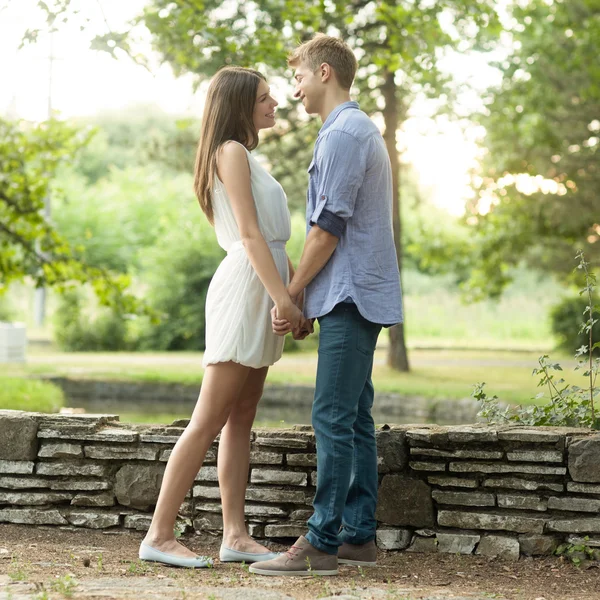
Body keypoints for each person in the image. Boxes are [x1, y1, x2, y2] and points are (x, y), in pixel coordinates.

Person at [139, 66, 311, 568]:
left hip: (266, 283)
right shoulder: (231, 152)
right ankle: (159, 533)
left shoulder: (248, 156)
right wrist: (282, 298)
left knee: (242, 415)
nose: (275, 102)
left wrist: (295, 294)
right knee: (209, 417)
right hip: (246, 288)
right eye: (264, 96)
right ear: (239, 105)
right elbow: (252, 237)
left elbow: (275, 241)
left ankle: (235, 535)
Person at [250, 35, 403, 577]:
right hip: (353, 292)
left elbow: (327, 229)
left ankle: (321, 540)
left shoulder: (344, 134)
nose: (292, 89)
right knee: (355, 417)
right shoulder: (352, 130)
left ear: (322, 72)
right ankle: (359, 536)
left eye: (296, 77)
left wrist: (292, 295)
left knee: (332, 416)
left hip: (351, 294)